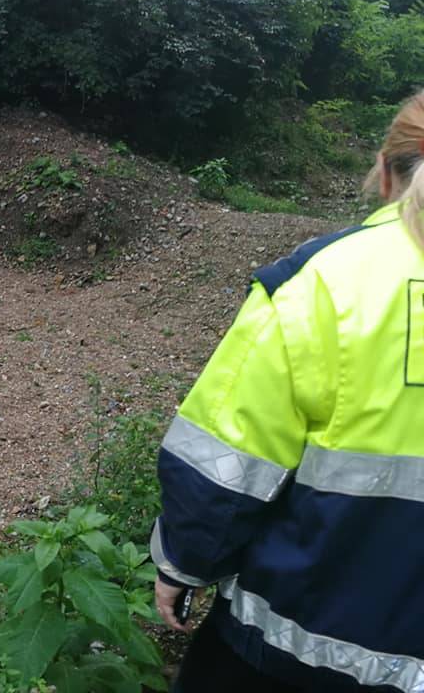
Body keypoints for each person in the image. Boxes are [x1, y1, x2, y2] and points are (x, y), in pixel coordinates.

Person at [150, 91, 424, 693]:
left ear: (384, 171)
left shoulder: (322, 282)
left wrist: (182, 564)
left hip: (292, 644)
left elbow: (226, 463)